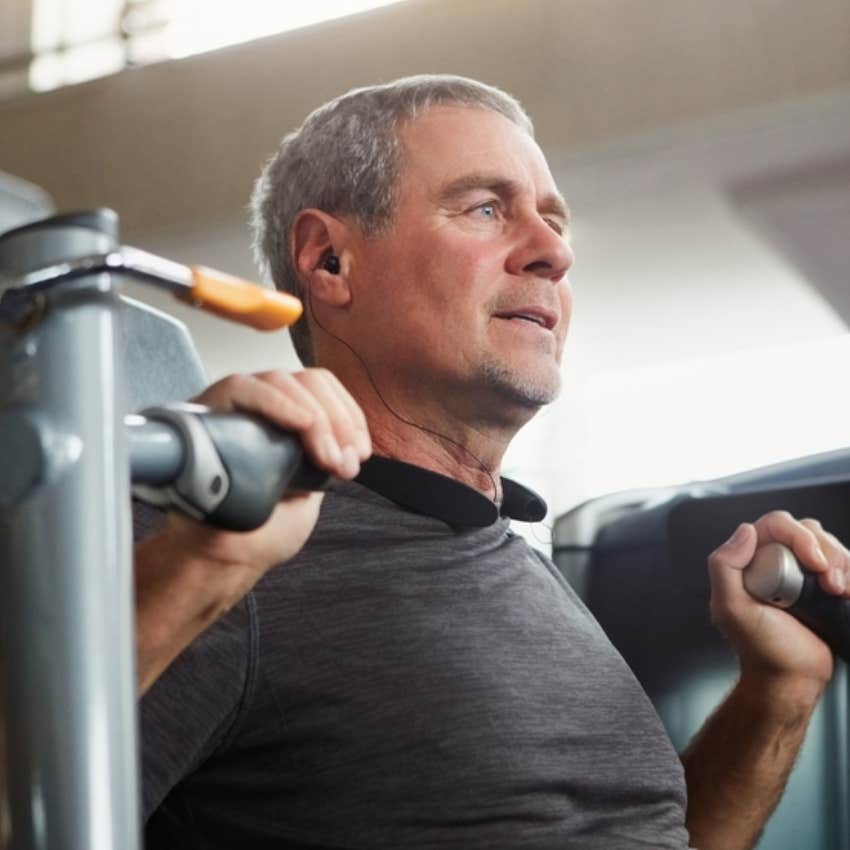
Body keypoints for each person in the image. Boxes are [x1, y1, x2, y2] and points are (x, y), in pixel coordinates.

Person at [136, 75, 850, 850]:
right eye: (485, 208)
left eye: (552, 220)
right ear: (330, 260)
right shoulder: (208, 546)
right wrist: (201, 564)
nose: (554, 252)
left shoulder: (506, 557)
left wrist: (778, 692)